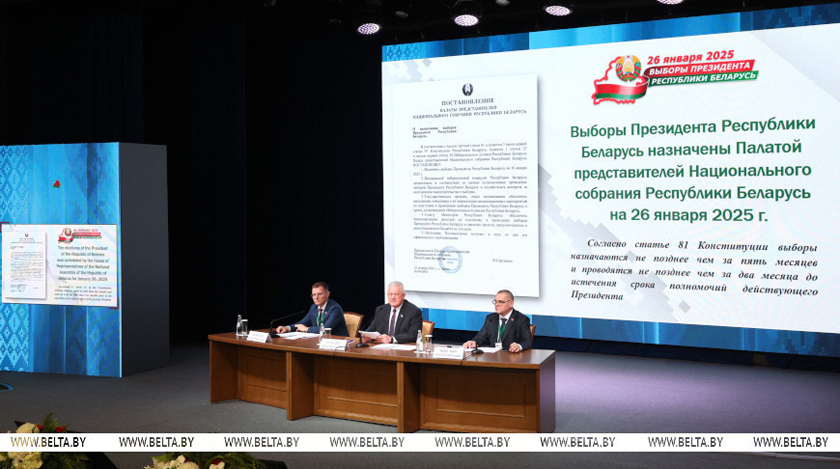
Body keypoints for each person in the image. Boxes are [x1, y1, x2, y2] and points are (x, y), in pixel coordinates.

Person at [463, 289, 531, 353]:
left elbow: (527, 341)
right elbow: (481, 337)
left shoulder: (521, 319)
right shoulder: (491, 318)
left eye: (501, 302)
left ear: (511, 303)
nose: (496, 305)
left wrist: (518, 346)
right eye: (495, 301)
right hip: (493, 357)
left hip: (511, 356)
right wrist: (473, 342)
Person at [275, 282, 348, 337]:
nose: (316, 297)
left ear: (328, 294)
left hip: (337, 342)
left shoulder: (335, 308)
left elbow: (326, 329)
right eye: (314, 294)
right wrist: (287, 328)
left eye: (319, 294)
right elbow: (303, 323)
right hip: (319, 340)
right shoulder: (314, 307)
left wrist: (306, 329)